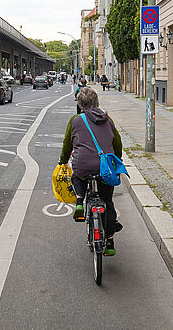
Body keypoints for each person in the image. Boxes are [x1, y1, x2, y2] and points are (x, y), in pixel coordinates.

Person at [59, 87, 123, 256]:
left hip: (83, 166)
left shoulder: (75, 120)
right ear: (97, 102)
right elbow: (117, 143)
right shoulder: (108, 120)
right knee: (107, 201)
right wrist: (118, 161)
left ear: (80, 105)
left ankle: (79, 201)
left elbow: (67, 145)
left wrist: (62, 161)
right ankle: (109, 242)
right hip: (105, 168)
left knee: (77, 176)